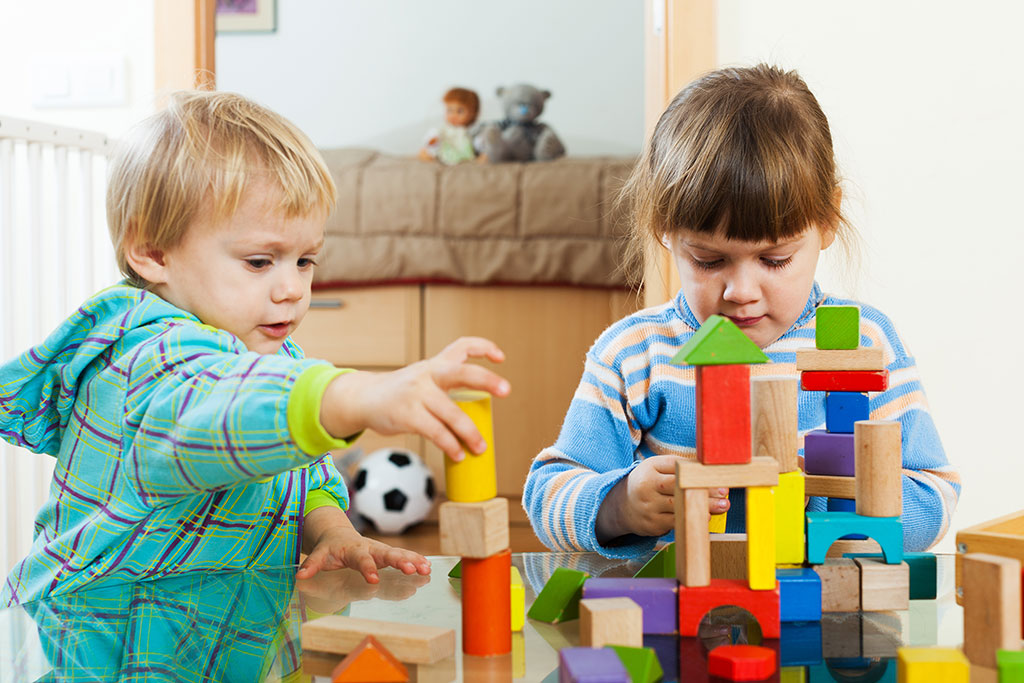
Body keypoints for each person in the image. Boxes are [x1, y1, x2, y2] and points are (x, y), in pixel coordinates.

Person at [0, 90, 509, 606]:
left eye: (306, 261)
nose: (292, 288)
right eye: (261, 262)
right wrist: (358, 394)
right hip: (100, 634)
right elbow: (219, 412)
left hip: (219, 627)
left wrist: (332, 529)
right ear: (152, 253)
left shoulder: (271, 356)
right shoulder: (144, 355)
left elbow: (302, 474)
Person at [522, 64, 959, 559]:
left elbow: (936, 494)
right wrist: (618, 505)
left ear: (829, 220)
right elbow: (547, 495)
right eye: (708, 260)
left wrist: (830, 501)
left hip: (824, 613)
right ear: (666, 231)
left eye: (775, 260)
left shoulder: (862, 344)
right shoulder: (637, 354)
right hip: (685, 613)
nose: (741, 291)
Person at [418, 87, 480, 165]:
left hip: (462, 150)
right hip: (446, 148)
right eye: (449, 110)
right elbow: (435, 136)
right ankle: (432, 156)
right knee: (427, 150)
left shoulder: (472, 130)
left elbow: (477, 143)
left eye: (460, 111)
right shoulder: (444, 129)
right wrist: (432, 140)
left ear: (473, 113)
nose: (453, 115)